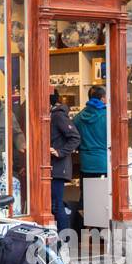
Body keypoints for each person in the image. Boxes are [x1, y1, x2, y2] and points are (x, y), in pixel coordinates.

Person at [72, 85, 109, 230]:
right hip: (103, 163)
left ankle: (80, 230)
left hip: (86, 163)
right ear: (102, 98)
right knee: (103, 198)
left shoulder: (79, 117)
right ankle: (99, 232)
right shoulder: (106, 115)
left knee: (87, 197)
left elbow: (73, 137)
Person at [49, 91, 81, 233]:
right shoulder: (52, 115)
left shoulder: (58, 116)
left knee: (56, 204)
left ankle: (65, 240)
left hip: (57, 167)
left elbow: (75, 137)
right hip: (53, 167)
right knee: (54, 203)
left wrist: (60, 152)